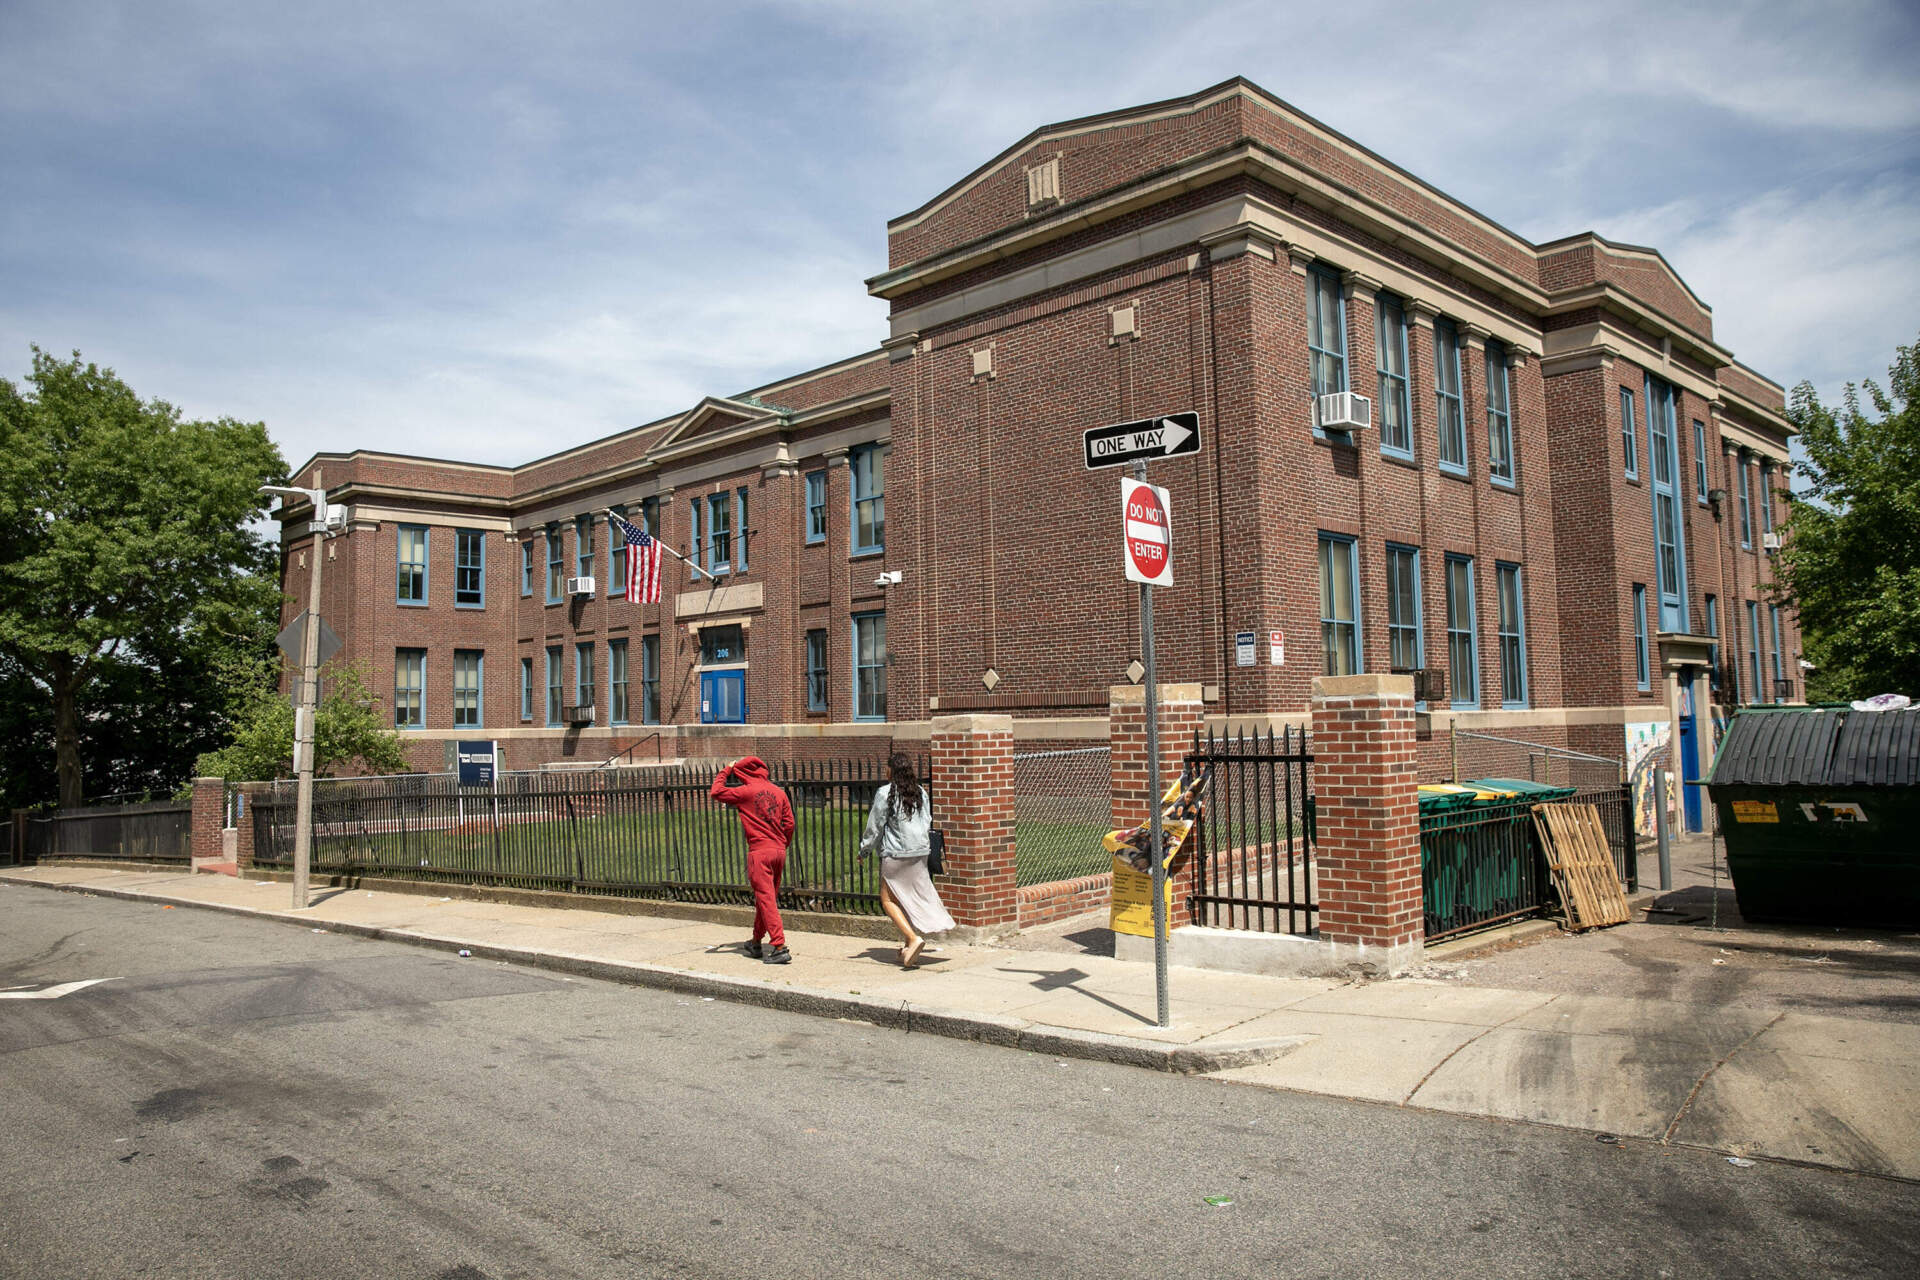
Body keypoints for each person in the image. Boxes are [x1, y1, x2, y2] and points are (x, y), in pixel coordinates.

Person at [859, 752, 954, 968]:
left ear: (892, 770)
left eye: (887, 767)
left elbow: (875, 827)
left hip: (896, 854)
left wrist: (863, 851)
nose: (886, 771)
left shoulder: (885, 793)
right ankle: (908, 947)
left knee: (887, 900)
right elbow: (928, 820)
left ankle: (913, 938)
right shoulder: (921, 792)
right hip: (920, 852)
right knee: (906, 899)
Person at [710, 756, 796, 964]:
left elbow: (716, 791)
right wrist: (783, 844)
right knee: (765, 898)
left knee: (766, 899)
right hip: (778, 850)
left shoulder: (745, 791)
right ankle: (756, 941)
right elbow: (790, 823)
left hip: (759, 851)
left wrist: (726, 770)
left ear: (743, 772)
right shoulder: (779, 792)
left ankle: (779, 945)